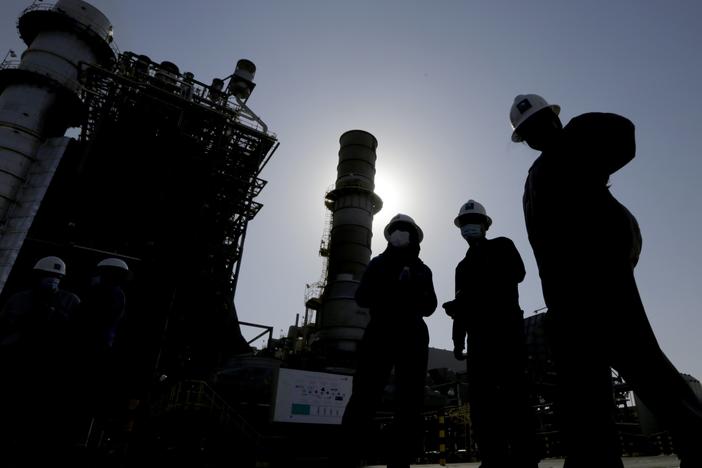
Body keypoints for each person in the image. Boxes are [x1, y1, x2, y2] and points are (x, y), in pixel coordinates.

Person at [510, 93, 702, 468]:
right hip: (569, 296)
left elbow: (621, 134)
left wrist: (573, 132)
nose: (538, 135)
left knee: (642, 365)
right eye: (531, 131)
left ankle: (694, 436)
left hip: (600, 287)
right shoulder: (541, 176)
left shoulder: (571, 154)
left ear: (553, 122)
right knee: (585, 385)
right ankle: (593, 458)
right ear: (528, 139)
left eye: (542, 125)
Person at [443, 200, 538, 468]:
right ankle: (492, 458)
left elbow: (517, 274)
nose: (468, 227)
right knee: (482, 402)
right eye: (464, 223)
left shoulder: (503, 246)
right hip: (478, 339)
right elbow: (460, 304)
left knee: (515, 394)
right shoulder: (461, 267)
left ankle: (525, 457)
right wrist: (457, 340)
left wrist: (473, 297)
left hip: (506, 331)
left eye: (473, 222)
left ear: (485, 225)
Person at [340, 213, 437, 468]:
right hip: (380, 331)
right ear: (389, 235)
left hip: (413, 334)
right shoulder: (377, 264)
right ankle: (348, 458)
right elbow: (362, 297)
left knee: (410, 400)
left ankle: (400, 461)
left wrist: (412, 292)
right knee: (364, 394)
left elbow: (430, 306)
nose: (399, 233)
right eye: (395, 229)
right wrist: (391, 288)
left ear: (414, 235)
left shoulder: (423, 269)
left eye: (404, 229)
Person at [0, 256, 81, 464]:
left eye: (56, 276)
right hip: (17, 360)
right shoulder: (19, 299)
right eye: (48, 276)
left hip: (49, 365)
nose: (52, 280)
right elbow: (5, 325)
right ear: (38, 277)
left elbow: (77, 334)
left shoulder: (70, 301)